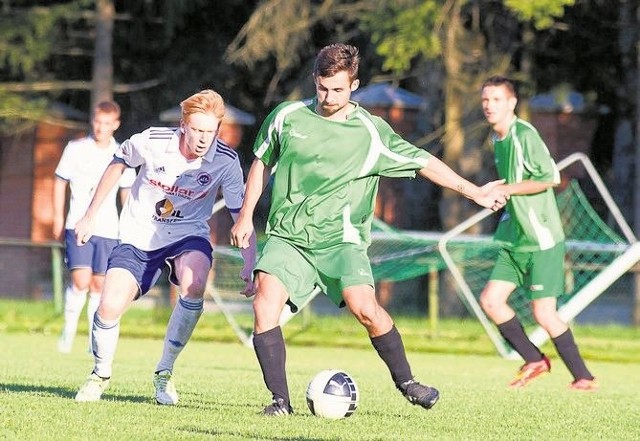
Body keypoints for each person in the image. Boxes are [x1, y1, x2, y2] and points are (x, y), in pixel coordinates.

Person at [230, 43, 509, 416]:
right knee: (265, 302)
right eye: (323, 88)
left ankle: (407, 382)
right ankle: (280, 402)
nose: (329, 97)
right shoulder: (287, 117)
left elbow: (423, 161)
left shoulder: (370, 132)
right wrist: (246, 215)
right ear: (315, 80)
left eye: (339, 90)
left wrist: (473, 191)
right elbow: (262, 162)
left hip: (341, 241)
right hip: (288, 236)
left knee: (365, 309)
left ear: (354, 85)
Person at [73, 89, 257, 404]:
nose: (203, 138)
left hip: (188, 235)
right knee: (108, 307)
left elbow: (243, 217)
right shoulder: (153, 141)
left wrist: (249, 263)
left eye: (210, 132)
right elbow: (118, 163)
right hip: (139, 235)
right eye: (198, 130)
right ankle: (100, 373)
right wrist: (90, 215)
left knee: (195, 283)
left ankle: (164, 373)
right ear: (183, 125)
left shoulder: (225, 161)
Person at [478, 75, 597, 391]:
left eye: (496, 100)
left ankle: (583, 377)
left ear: (512, 102)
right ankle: (534, 360)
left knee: (543, 312)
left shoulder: (524, 135)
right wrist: (500, 197)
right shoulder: (497, 139)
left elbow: (550, 177)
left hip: (542, 238)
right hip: (515, 237)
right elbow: (514, 182)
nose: (489, 106)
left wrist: (508, 190)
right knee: (491, 301)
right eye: (486, 100)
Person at [53, 101, 136, 354]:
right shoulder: (76, 149)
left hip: (109, 229)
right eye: (98, 122)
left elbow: (127, 192)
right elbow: (60, 182)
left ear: (116, 125)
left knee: (99, 287)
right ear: (93, 121)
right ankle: (68, 332)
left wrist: (130, 225)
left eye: (107, 123)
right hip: (78, 224)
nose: (101, 128)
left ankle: (92, 340)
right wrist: (59, 218)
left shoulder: (122, 152)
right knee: (80, 281)